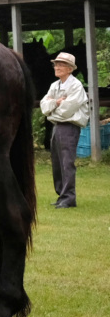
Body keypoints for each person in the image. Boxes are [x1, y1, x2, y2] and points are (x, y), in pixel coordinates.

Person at [40, 51, 89, 209]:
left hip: (69, 127)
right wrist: (56, 102)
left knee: (67, 162)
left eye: (61, 64)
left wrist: (52, 108)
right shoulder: (55, 86)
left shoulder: (76, 86)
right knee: (57, 162)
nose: (57, 67)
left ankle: (69, 198)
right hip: (57, 126)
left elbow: (67, 110)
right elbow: (43, 105)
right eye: (56, 64)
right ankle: (62, 195)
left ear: (70, 68)